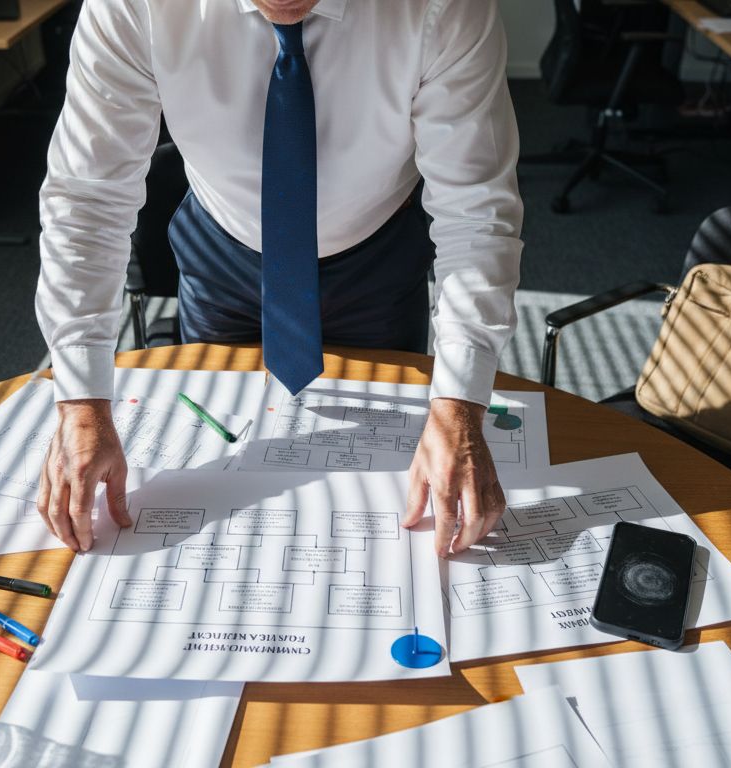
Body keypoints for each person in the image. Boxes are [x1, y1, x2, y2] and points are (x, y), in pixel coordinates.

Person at [35, 0, 523, 559]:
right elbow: (88, 200)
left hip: (378, 256)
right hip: (223, 250)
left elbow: (476, 212)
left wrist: (459, 404)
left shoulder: (444, 8)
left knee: (389, 475)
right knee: (217, 447)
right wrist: (82, 402)